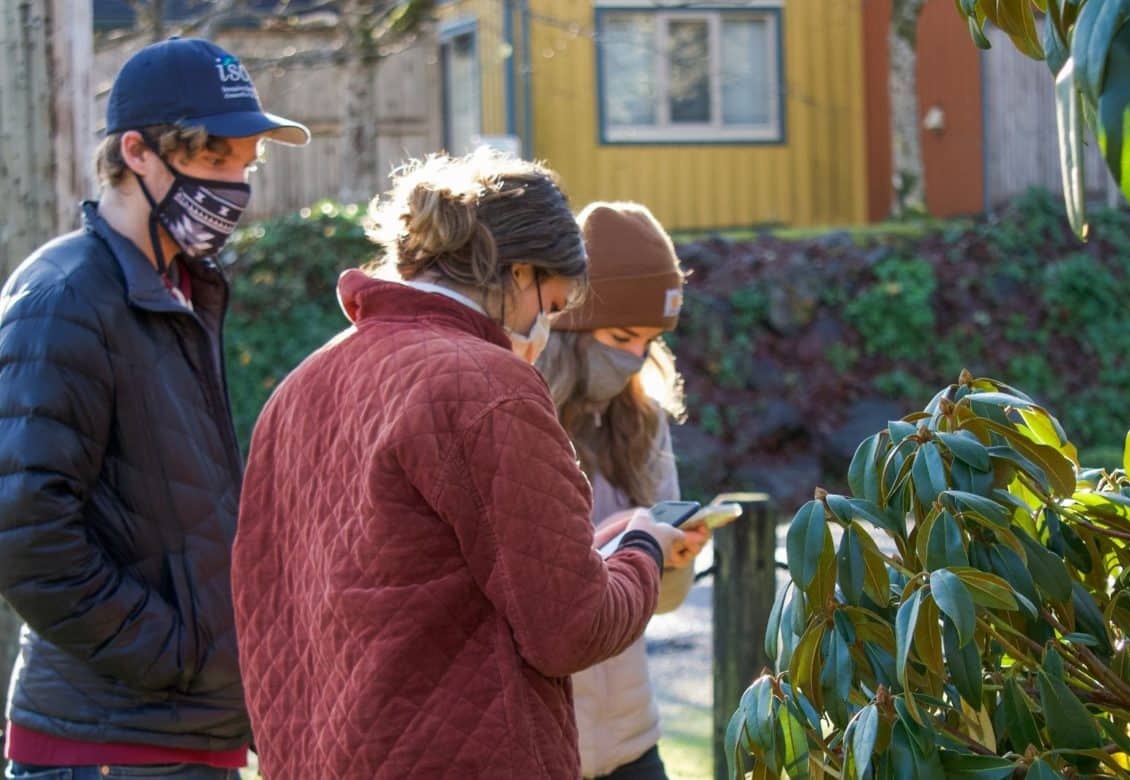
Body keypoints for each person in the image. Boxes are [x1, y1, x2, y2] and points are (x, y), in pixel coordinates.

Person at [231, 151, 685, 779]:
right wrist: (642, 550)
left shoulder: (298, 388)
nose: (544, 328)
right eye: (551, 305)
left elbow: (271, 602)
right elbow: (572, 628)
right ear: (520, 273)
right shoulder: (488, 384)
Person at [0, 37, 309, 780]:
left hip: (182, 738)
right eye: (212, 159)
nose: (233, 186)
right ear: (135, 152)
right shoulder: (66, 296)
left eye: (244, 165)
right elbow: (24, 531)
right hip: (107, 748)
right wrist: (177, 655)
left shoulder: (180, 288)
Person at [536, 201, 707, 780]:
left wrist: (671, 557)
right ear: (567, 327)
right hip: (544, 745)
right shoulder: (517, 422)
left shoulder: (644, 421)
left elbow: (664, 602)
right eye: (622, 336)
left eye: (650, 341)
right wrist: (623, 543)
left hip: (632, 739)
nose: (635, 359)